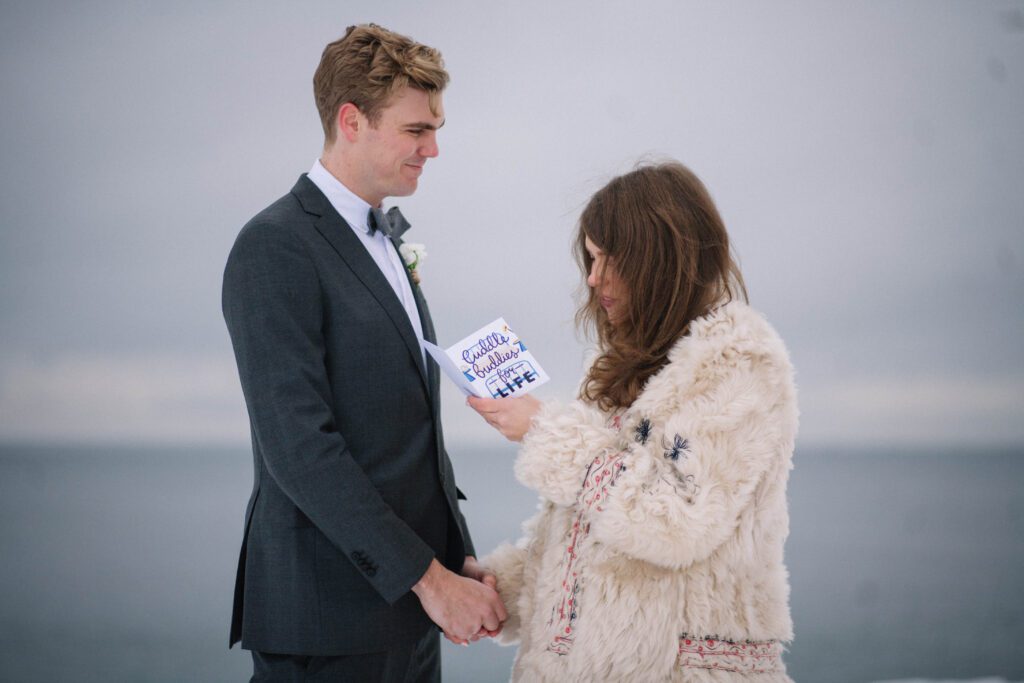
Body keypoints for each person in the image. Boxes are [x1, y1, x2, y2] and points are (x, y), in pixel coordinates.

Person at [222, 23, 506, 682]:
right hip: (327, 623)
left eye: (436, 128)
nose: (433, 148)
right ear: (352, 121)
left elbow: (401, 431)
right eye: (416, 130)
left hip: (405, 617)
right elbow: (299, 447)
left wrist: (452, 559)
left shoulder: (385, 239)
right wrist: (431, 580)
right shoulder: (274, 247)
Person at [469, 161, 798, 681]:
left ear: (659, 260)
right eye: (590, 259)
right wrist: (496, 587)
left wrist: (545, 432)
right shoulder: (624, 369)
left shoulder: (737, 364)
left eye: (608, 260)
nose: (593, 278)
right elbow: (586, 535)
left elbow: (676, 521)